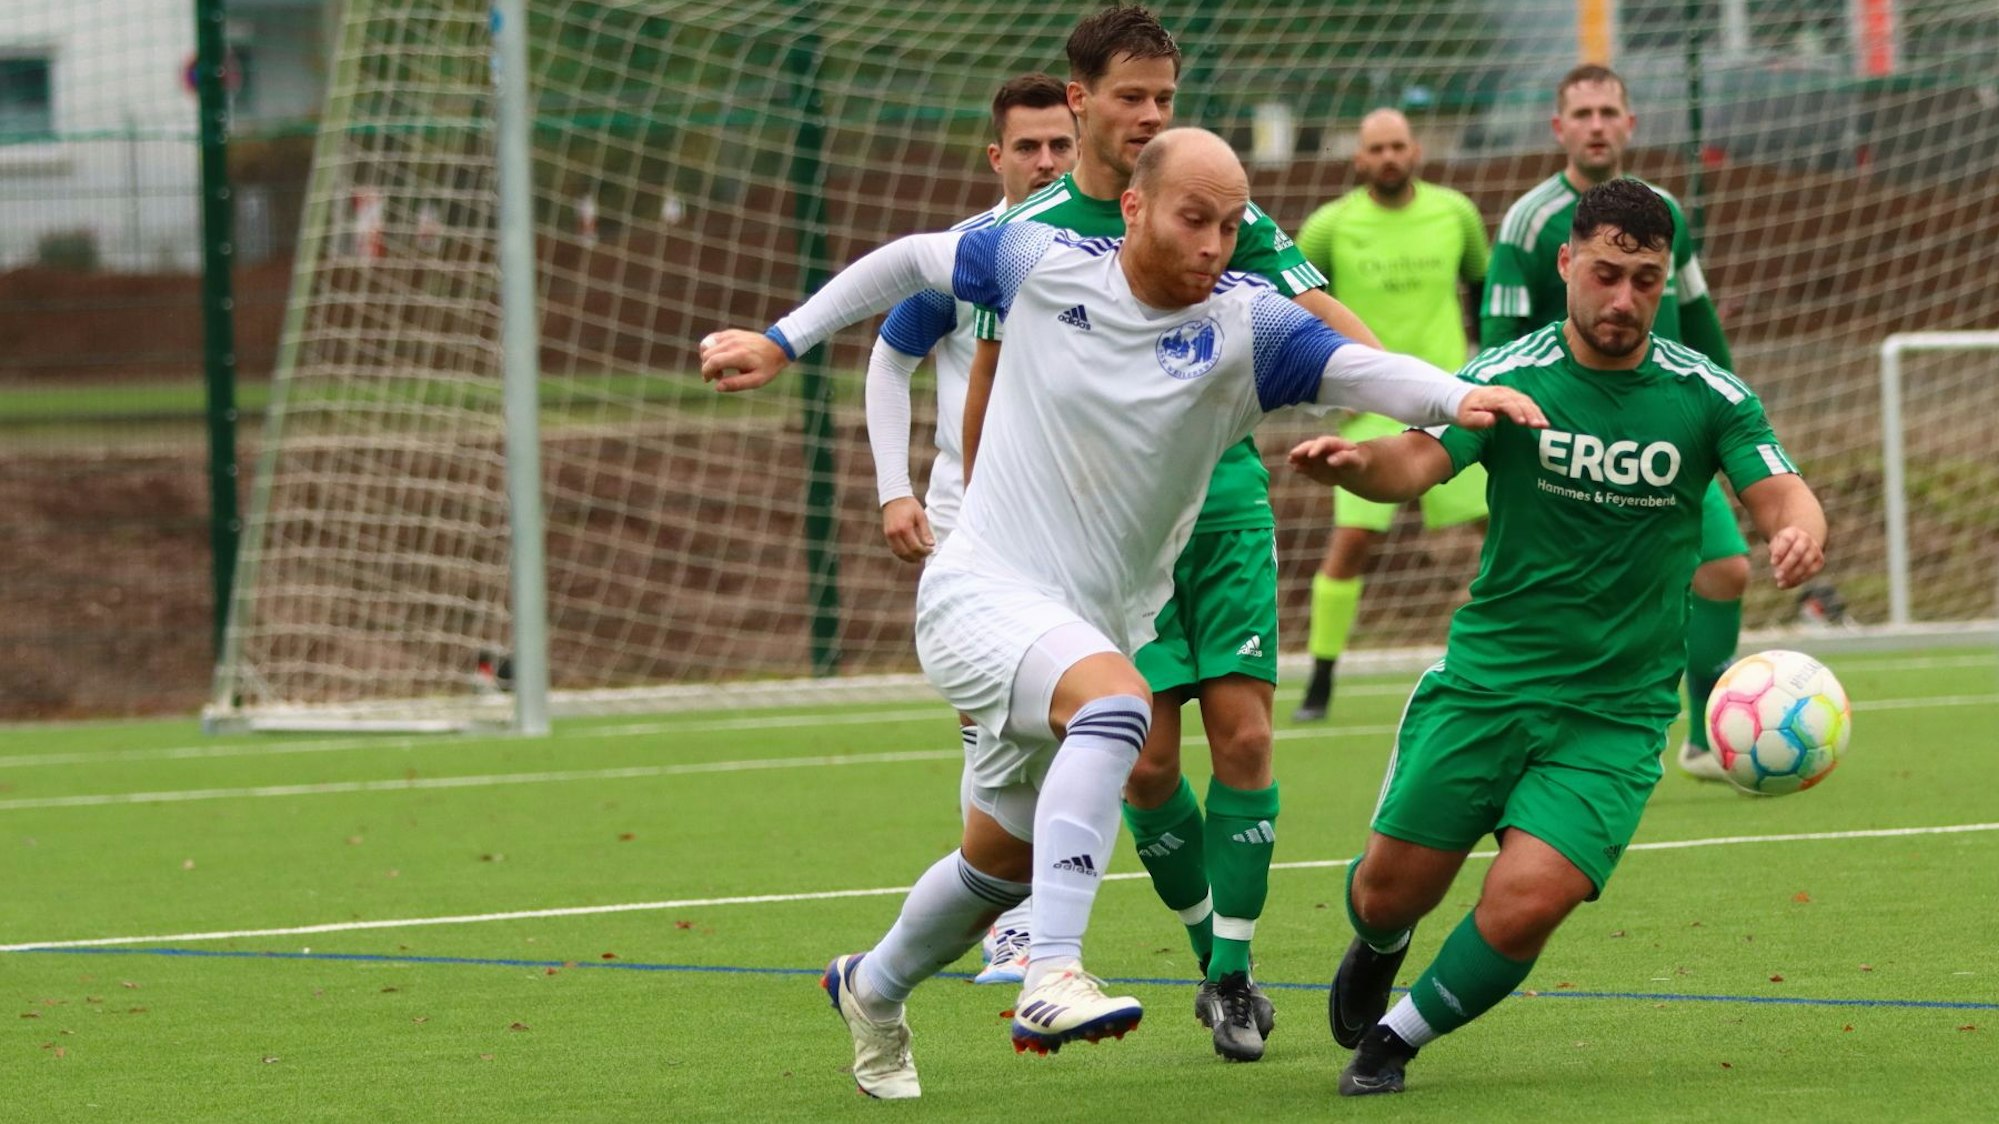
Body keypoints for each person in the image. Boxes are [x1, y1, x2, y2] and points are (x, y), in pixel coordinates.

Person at [699, 128, 1544, 1099]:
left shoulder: (1246, 326)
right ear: (1134, 206)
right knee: (1118, 708)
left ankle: (872, 983)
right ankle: (1052, 967)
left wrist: (1460, 395)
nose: (1215, 245)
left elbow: (1364, 371)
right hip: (979, 589)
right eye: (1194, 218)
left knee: (997, 862)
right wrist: (780, 339)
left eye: (1231, 225)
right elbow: (909, 260)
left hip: (1079, 626)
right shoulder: (1040, 261)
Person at [1296, 178, 1827, 1096]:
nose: (1622, 300)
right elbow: (1414, 460)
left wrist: (1799, 526)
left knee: (1527, 901)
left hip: (1613, 717)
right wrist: (1356, 465)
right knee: (1390, 891)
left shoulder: (1704, 394)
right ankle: (1379, 941)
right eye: (1607, 275)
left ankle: (1394, 1040)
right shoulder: (1508, 379)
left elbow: (1778, 485)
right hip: (1489, 685)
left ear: (1665, 283)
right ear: (1567, 263)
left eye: (1646, 281)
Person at [962, 3, 1381, 1062]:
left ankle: (1235, 976)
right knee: (1146, 763)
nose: (1151, 114)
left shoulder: (1221, 210)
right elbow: (988, 376)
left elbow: (1328, 323)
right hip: (1096, 526)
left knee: (1241, 734)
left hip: (1222, 504)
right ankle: (1206, 951)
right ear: (1080, 101)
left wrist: (1416, 397)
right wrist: (981, 526)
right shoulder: (1032, 236)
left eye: (1166, 97)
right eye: (1133, 96)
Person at [861, 71, 1078, 988]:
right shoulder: (968, 253)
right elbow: (887, 359)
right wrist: (892, 490)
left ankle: (1027, 917)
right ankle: (1018, 924)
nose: (1042, 161)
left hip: (1076, 517)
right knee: (991, 724)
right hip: (972, 520)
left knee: (1081, 723)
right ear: (996, 156)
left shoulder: (1107, 250)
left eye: (1057, 145)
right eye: (1025, 147)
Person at [1481, 63, 1749, 782]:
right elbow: (1496, 340)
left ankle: (1701, 738)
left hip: (1667, 430)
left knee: (1723, 567)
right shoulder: (1530, 221)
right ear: (1558, 128)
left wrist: (1732, 415)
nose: (1596, 125)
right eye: (1583, 113)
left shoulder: (1662, 216)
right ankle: (1547, 737)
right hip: (1563, 444)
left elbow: (1695, 317)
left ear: (1629, 125)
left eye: (1609, 112)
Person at [1290, 108, 1492, 722]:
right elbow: (1293, 302)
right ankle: (1320, 682)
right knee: (1350, 544)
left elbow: (1483, 292)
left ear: (1416, 150)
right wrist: (1328, 386)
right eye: (1376, 148)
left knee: (1503, 535)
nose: (1388, 157)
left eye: (1398, 146)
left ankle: (1519, 660)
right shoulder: (1329, 226)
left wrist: (1482, 371)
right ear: (1359, 158)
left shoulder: (1456, 213)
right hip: (1373, 408)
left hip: (1452, 402)